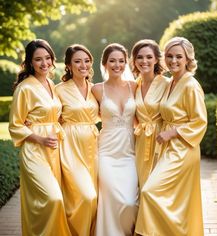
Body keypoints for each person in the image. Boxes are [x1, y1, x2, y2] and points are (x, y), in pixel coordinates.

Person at [135, 37, 207, 236]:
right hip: (167, 147)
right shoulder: (171, 83)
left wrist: (173, 132)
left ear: (187, 59)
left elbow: (200, 121)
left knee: (151, 192)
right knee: (173, 200)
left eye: (178, 56)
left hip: (183, 149)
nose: (173, 60)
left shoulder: (190, 85)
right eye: (169, 56)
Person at [8, 39, 71, 236]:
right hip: (34, 151)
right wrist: (39, 137)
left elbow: (55, 114)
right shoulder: (25, 88)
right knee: (53, 199)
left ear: (53, 60)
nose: (44, 63)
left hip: (54, 150)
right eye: (38, 59)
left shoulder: (51, 84)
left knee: (49, 202)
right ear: (30, 62)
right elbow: (15, 124)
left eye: (47, 58)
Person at [92, 43, 139, 236]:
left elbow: (147, 111)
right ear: (104, 64)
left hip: (129, 152)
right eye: (112, 60)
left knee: (129, 202)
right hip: (106, 152)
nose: (117, 64)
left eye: (121, 61)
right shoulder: (96, 89)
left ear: (126, 63)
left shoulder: (134, 86)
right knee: (110, 198)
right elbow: (78, 110)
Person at [55, 44, 99, 236]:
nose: (83, 65)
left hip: (94, 147)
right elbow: (50, 117)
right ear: (68, 65)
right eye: (77, 61)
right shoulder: (59, 90)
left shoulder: (95, 89)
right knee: (84, 196)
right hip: (70, 147)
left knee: (94, 198)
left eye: (87, 61)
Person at [130, 39, 169, 188]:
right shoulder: (135, 85)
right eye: (139, 57)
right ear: (134, 60)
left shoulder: (167, 84)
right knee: (141, 184)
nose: (144, 61)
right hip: (140, 141)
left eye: (149, 57)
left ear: (157, 59)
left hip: (161, 140)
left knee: (155, 187)